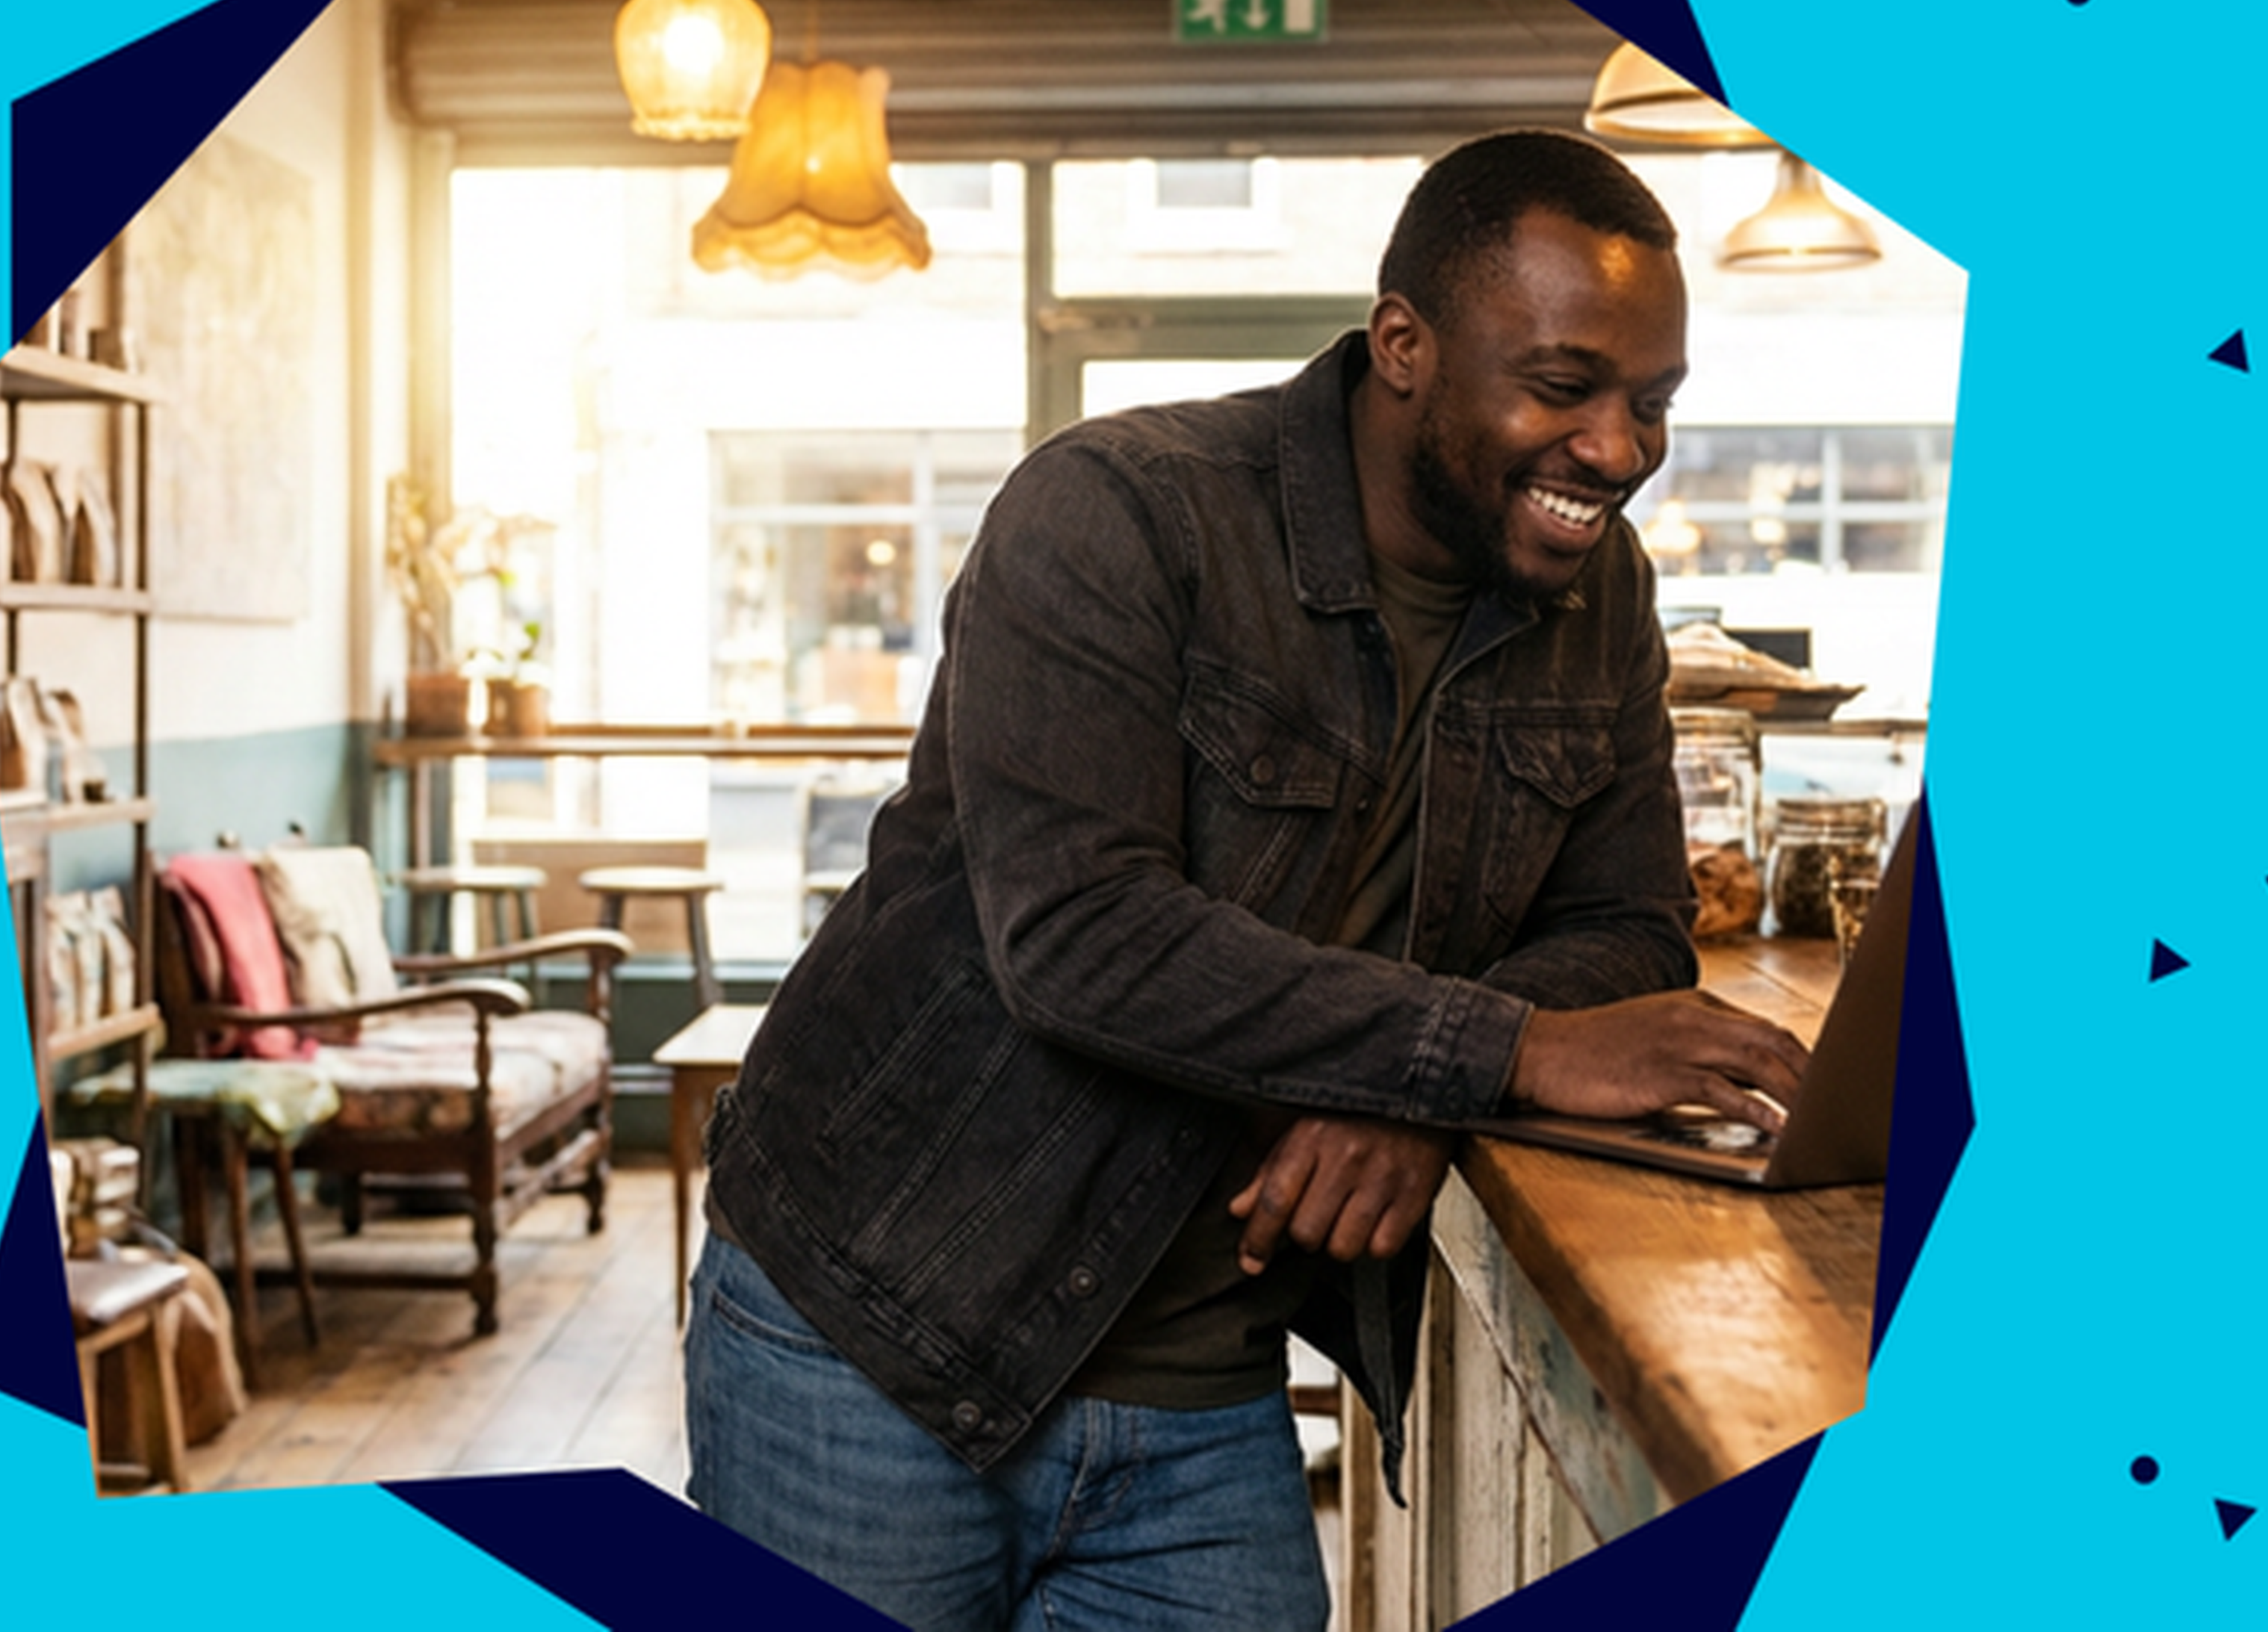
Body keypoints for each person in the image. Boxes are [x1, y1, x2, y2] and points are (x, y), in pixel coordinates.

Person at [686, 129, 1811, 1632]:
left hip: (1206, 1386)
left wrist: (1426, 1088)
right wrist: (1502, 1050)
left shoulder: (1599, 595)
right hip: (872, 1324)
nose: (1616, 448)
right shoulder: (1116, 511)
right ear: (1403, 345)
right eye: (1563, 387)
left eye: (1651, 402)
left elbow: (1629, 927)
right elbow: (1082, 936)